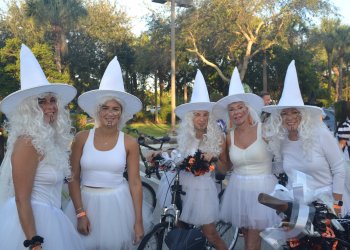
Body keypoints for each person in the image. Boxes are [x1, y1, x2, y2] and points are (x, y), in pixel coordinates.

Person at [0, 44, 84, 249]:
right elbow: (21, 199)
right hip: (31, 226)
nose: (50, 107)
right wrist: (34, 243)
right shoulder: (27, 142)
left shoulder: (48, 139)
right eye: (41, 102)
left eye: (52, 100)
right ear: (29, 108)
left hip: (52, 218)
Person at [64, 56, 146, 249]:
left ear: (122, 112)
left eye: (115, 109)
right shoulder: (82, 138)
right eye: (105, 108)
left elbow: (135, 182)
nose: (110, 113)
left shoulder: (129, 142)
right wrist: (80, 213)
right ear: (97, 110)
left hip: (117, 206)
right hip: (85, 204)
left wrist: (138, 221)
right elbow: (73, 177)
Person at [263, 60, 345, 217]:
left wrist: (337, 204)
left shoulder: (321, 134)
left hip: (325, 205)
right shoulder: (282, 140)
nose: (289, 117)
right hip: (297, 208)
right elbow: (281, 170)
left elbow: (339, 169)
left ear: (304, 114)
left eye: (294, 112)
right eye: (285, 113)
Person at [156, 70, 228, 249]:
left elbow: (223, 169)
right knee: (181, 230)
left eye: (205, 115)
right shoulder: (185, 136)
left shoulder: (217, 137)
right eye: (197, 114)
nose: (202, 119)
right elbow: (179, 155)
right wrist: (162, 153)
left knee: (210, 234)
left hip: (203, 191)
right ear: (190, 117)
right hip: (181, 188)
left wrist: (214, 158)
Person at [212, 67, 279, 250]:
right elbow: (225, 167)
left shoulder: (264, 130)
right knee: (250, 237)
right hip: (238, 192)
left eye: (240, 107)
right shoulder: (228, 137)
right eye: (232, 109)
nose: (237, 112)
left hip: (262, 193)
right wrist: (213, 154)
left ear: (248, 108)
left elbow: (282, 155)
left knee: (252, 241)